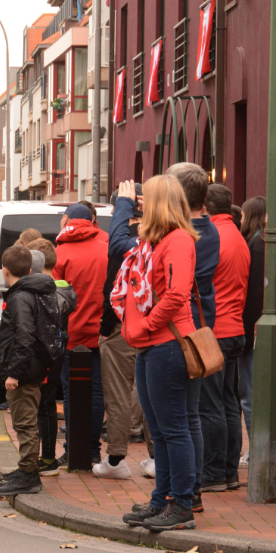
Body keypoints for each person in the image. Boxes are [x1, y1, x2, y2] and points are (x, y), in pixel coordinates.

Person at [118, 175, 199, 532]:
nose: (139, 204)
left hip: (166, 343)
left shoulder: (178, 240)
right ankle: (163, 499)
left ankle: (181, 504)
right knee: (162, 430)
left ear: (158, 203)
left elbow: (177, 294)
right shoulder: (161, 239)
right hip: (154, 343)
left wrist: (147, 324)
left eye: (143, 199)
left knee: (173, 429)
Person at [0, 245, 62, 496]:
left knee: (24, 424)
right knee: (26, 421)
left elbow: (25, 337)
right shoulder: (35, 291)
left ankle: (29, 474)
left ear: (4, 271)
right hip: (34, 367)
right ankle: (25, 469)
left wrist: (14, 373)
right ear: (30, 269)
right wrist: (1, 346)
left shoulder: (19, 297)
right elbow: (29, 333)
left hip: (25, 372)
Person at [166, 162, 217, 512]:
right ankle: (190, 488)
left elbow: (124, 247)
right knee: (190, 415)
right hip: (195, 329)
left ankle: (186, 491)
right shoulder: (208, 229)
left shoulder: (189, 234)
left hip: (181, 333)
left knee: (180, 420)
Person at [198, 184, 250, 493]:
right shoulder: (238, 238)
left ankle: (214, 472)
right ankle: (229, 471)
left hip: (215, 332)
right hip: (235, 329)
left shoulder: (212, 238)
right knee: (229, 402)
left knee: (211, 404)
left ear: (204, 206)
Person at [94, 183, 145, 479]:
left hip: (119, 327)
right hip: (150, 327)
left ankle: (115, 459)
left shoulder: (127, 243)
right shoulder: (155, 238)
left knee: (118, 394)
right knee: (150, 395)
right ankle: (156, 457)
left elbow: (115, 282)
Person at [53, 203, 108, 465]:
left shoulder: (61, 251)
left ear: (67, 220)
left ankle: (74, 450)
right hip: (103, 331)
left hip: (71, 333)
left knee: (70, 392)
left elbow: (53, 297)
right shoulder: (107, 245)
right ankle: (93, 449)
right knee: (97, 392)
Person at [25, 238, 75, 476]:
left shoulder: (48, 291)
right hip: (56, 353)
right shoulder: (64, 288)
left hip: (45, 355)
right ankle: (46, 456)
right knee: (46, 405)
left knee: (44, 407)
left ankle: (46, 458)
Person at [238, 196, 266, 453]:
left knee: (249, 395)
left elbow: (254, 293)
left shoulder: (255, 244)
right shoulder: (262, 242)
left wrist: (245, 334)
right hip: (256, 329)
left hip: (251, 330)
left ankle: (256, 449)